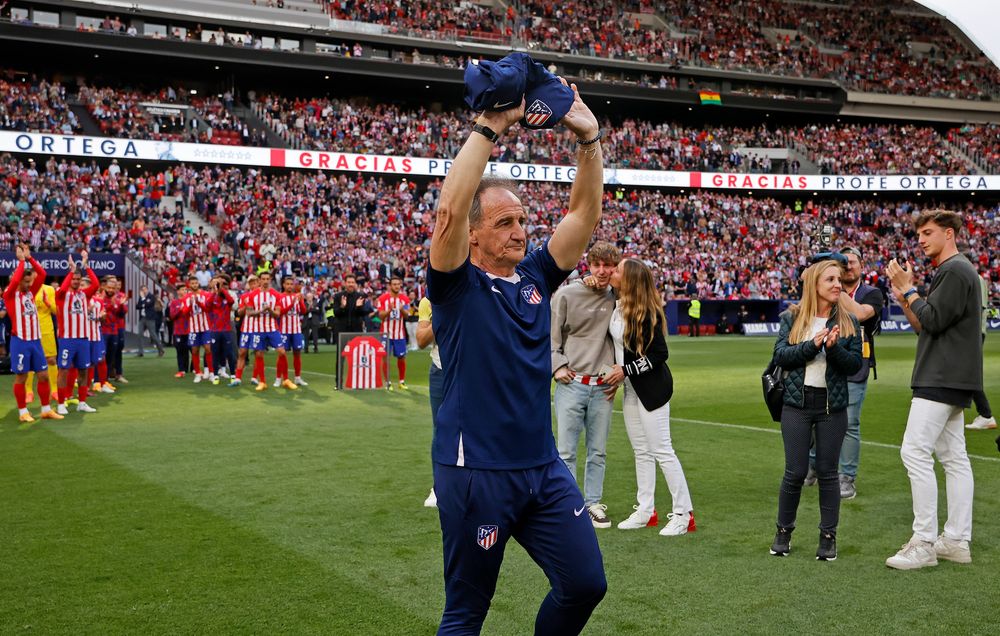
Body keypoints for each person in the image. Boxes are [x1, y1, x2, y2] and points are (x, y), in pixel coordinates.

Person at [428, 81, 607, 634]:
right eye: (504, 223)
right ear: (474, 236)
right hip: (476, 471)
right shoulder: (455, 287)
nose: (519, 231)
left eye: (522, 220)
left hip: (541, 466)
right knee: (467, 611)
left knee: (585, 584)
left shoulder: (533, 278)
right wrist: (489, 128)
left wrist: (589, 140)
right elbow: (450, 211)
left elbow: (582, 218)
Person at [885, 209, 981, 570]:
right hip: (951, 374)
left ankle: (924, 541)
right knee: (954, 459)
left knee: (914, 451)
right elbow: (927, 327)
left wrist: (910, 288)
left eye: (928, 233)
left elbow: (934, 319)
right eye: (920, 234)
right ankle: (956, 540)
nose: (922, 240)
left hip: (940, 377)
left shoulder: (955, 270)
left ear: (950, 234)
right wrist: (907, 300)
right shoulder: (955, 270)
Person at [768, 259, 862, 561]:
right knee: (794, 472)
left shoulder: (849, 321)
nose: (838, 284)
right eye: (831, 280)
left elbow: (854, 365)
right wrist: (812, 344)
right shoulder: (792, 317)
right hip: (796, 404)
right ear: (814, 285)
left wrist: (833, 348)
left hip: (832, 407)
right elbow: (781, 356)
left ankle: (828, 537)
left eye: (840, 279)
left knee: (828, 473)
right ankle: (783, 532)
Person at [601, 258, 696, 537]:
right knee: (641, 451)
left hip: (653, 389)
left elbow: (659, 354)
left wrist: (625, 370)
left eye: (617, 270)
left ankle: (684, 514)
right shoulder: (617, 304)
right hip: (632, 388)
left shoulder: (647, 312)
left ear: (629, 279)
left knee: (662, 450)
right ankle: (646, 510)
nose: (612, 272)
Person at [551, 240, 621, 529]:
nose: (602, 271)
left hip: (603, 385)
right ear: (588, 265)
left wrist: (617, 372)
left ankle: (593, 503)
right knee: (566, 450)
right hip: (572, 383)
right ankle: (570, 505)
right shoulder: (566, 294)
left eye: (608, 265)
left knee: (598, 451)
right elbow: (551, 335)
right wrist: (557, 366)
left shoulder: (618, 296)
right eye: (597, 265)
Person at [805, 247, 884, 500]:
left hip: (855, 364)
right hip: (822, 362)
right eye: (843, 263)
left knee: (849, 422)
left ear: (862, 266)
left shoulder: (871, 293)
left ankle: (846, 476)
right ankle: (814, 466)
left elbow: (859, 314)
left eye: (852, 262)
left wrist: (832, 287)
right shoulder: (825, 286)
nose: (848, 267)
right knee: (816, 418)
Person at [4, 245, 63, 422]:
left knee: (43, 375)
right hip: (20, 341)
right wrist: (21, 261)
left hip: (35, 341)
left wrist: (30, 258)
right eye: (26, 282)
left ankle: (46, 409)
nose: (30, 284)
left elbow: (42, 274)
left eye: (30, 282)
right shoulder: (10, 294)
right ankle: (23, 413)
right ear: (18, 281)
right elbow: (15, 282)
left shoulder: (31, 292)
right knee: (21, 377)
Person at [54, 251, 100, 415]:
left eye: (78, 279)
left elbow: (95, 285)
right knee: (64, 371)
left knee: (83, 371)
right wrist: (71, 270)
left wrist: (86, 264)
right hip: (67, 339)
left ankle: (82, 402)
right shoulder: (61, 294)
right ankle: (61, 403)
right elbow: (63, 288)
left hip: (83, 339)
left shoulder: (84, 295)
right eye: (73, 279)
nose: (75, 281)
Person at [416, 295, 441, 508]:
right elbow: (421, 340)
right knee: (440, 429)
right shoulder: (429, 302)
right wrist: (442, 316)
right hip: (441, 369)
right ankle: (439, 486)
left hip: (472, 369)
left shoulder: (475, 290)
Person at [966, 270, 996, 430]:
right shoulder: (977, 278)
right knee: (966, 371)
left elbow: (976, 307)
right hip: (976, 332)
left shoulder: (972, 278)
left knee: (969, 373)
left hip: (972, 333)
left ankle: (986, 414)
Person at [25, 269, 58, 408]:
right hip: (29, 330)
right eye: (33, 275)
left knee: (51, 359)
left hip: (46, 329)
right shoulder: (25, 290)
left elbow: (57, 311)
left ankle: (54, 389)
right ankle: (28, 391)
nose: (36, 277)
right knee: (30, 362)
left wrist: (48, 303)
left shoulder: (49, 290)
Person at [377, 275, 410, 390]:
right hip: (385, 334)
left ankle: (401, 382)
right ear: (390, 286)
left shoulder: (405, 299)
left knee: (401, 357)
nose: (397, 286)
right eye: (394, 284)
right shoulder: (382, 299)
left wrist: (401, 309)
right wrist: (389, 310)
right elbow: (380, 316)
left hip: (399, 335)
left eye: (398, 284)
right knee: (385, 357)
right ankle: (388, 382)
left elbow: (407, 315)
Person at [182, 276, 216, 384]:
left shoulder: (205, 295)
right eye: (192, 283)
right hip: (193, 328)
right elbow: (184, 313)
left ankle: (211, 373)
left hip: (205, 327)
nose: (195, 285)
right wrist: (192, 303)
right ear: (189, 285)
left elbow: (208, 308)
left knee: (208, 349)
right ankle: (197, 373)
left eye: (196, 283)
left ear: (198, 283)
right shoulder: (186, 297)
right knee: (194, 350)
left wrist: (199, 303)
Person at [278, 276, 308, 386]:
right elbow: (281, 312)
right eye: (288, 284)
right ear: (283, 285)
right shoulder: (280, 297)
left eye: (291, 284)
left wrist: (300, 301)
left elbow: (304, 311)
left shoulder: (297, 296)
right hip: (284, 330)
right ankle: (283, 378)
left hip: (296, 330)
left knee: (297, 353)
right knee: (282, 354)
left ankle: (297, 378)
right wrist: (292, 303)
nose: (290, 286)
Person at [208, 274, 237, 384]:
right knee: (215, 352)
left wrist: (222, 290)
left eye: (224, 284)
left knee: (229, 352)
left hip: (226, 329)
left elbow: (231, 302)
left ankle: (233, 374)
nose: (222, 286)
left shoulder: (228, 295)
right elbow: (207, 305)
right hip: (215, 330)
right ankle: (215, 375)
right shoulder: (213, 296)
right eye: (220, 284)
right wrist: (215, 291)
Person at [136, 285, 164, 357]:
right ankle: (140, 352)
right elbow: (137, 306)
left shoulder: (151, 296)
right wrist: (143, 302)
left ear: (147, 289)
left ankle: (161, 350)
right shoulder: (141, 298)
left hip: (150, 318)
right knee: (139, 334)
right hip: (142, 318)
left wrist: (143, 300)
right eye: (142, 290)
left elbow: (148, 304)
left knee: (153, 335)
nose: (144, 291)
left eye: (145, 289)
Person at [168, 289, 190, 379]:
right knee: (180, 350)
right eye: (183, 289)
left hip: (189, 329)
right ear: (178, 292)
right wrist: (179, 310)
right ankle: (181, 369)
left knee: (192, 349)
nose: (185, 291)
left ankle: (191, 369)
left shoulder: (189, 301)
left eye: (185, 289)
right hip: (178, 330)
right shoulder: (174, 303)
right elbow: (172, 316)